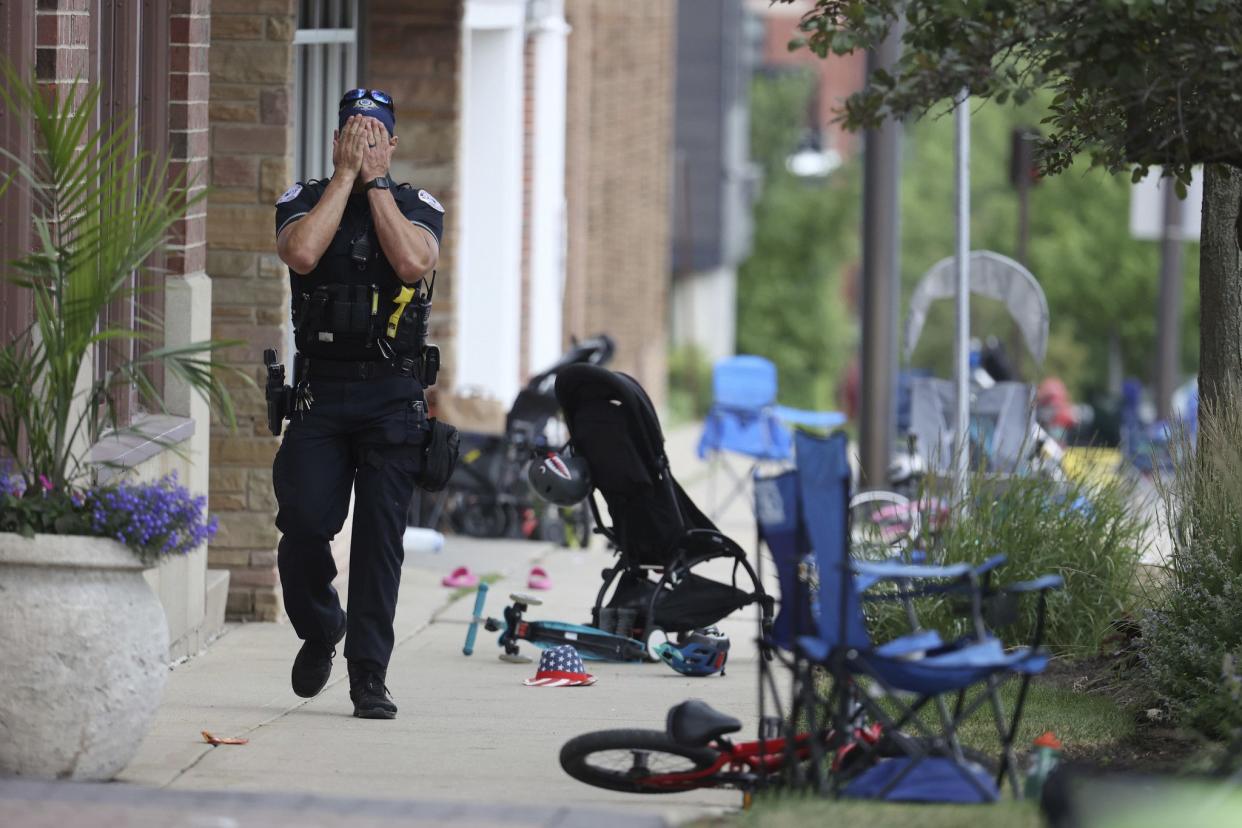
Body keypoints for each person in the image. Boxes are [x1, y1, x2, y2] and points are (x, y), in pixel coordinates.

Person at [271, 88, 444, 719]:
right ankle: (321, 629)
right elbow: (302, 253)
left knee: (379, 542)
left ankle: (369, 675)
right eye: (354, 131)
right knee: (304, 526)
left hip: (392, 397)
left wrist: (373, 184)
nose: (366, 140)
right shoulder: (303, 199)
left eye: (376, 134)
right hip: (322, 393)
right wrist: (345, 178)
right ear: (338, 137)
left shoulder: (415, 205)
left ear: (393, 143)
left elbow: (409, 261)